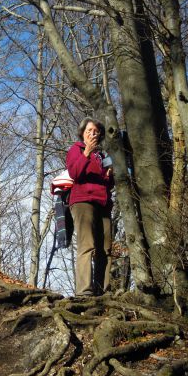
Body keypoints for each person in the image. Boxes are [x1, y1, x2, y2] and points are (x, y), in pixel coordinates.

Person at [66, 118, 114, 296]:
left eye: (96, 132)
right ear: (82, 133)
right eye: (89, 131)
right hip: (82, 201)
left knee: (106, 249)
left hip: (103, 204)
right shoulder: (76, 150)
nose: (93, 134)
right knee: (87, 245)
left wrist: (110, 175)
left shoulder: (101, 156)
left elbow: (108, 185)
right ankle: (84, 291)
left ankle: (103, 291)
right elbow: (75, 173)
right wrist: (86, 152)